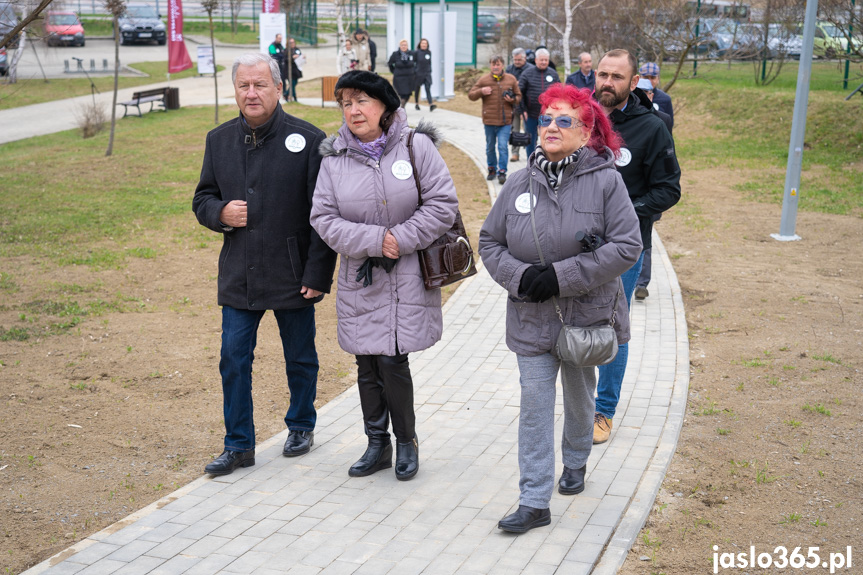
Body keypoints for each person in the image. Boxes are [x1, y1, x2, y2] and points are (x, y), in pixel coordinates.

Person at [479, 83, 642, 533]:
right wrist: (519, 275)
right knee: (533, 407)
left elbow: (628, 245)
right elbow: (490, 241)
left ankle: (576, 461)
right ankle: (534, 500)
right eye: (546, 118)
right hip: (530, 318)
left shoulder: (606, 181)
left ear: (587, 130)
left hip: (584, 318)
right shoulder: (518, 181)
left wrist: (561, 276)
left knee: (578, 399)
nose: (550, 126)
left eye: (563, 119)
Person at [193, 53, 337, 476]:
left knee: (300, 356)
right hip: (240, 274)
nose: (251, 93)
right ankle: (238, 444)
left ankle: (301, 424)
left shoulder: (309, 139)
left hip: (293, 273)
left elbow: (323, 216)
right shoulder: (218, 140)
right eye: (244, 86)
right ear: (235, 90)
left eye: (260, 85)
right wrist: (219, 213)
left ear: (278, 87)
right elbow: (202, 198)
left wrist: (317, 275)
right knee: (233, 359)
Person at [311, 71, 459, 481]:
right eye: (346, 103)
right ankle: (377, 443)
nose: (354, 110)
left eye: (362, 100)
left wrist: (400, 239)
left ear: (384, 105)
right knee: (366, 363)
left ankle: (407, 442)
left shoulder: (416, 146)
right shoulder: (335, 157)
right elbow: (323, 218)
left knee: (393, 360)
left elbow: (442, 204)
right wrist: (378, 240)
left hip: (407, 273)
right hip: (362, 275)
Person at [592, 49, 681, 444]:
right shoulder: (580, 118)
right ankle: (579, 398)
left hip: (624, 249)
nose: (607, 82)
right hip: (573, 247)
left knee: (613, 326)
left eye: (616, 76)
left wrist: (628, 213)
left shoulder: (652, 126)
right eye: (602, 74)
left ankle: (603, 410)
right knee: (573, 323)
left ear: (633, 82)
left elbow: (669, 189)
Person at [468, 54, 521, 185]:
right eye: (493, 64)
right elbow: (471, 95)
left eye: (498, 64)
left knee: (503, 147)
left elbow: (519, 96)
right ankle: (492, 169)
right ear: (490, 65)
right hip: (489, 121)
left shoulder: (511, 79)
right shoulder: (484, 80)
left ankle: (502, 171)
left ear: (502, 65)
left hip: (505, 121)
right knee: (490, 147)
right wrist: (481, 91)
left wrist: (513, 99)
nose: (495, 67)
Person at [517, 48, 560, 158]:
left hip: (548, 116)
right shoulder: (527, 73)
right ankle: (530, 162)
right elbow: (519, 92)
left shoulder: (553, 74)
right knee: (530, 140)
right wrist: (523, 110)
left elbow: (559, 93)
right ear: (536, 60)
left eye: (546, 60)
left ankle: (546, 162)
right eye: (541, 60)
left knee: (547, 139)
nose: (544, 62)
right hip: (531, 114)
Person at [506, 47, 533, 163]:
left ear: (524, 58)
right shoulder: (509, 69)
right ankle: (515, 153)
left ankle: (531, 154)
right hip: (513, 105)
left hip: (529, 106)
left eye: (519, 60)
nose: (516, 62)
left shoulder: (531, 69)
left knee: (529, 131)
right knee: (515, 130)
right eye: (515, 60)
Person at [638, 62, 673, 127]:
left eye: (653, 77)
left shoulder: (665, 99)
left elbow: (669, 125)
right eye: (646, 77)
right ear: (639, 78)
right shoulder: (631, 96)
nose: (649, 81)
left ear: (658, 79)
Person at [388, 39, 417, 108]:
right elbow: (390, 63)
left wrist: (414, 71)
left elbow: (416, 63)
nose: (404, 46)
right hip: (399, 77)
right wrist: (394, 71)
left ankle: (402, 106)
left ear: (407, 46)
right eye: (402, 45)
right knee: (401, 94)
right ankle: (402, 107)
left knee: (408, 94)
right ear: (400, 46)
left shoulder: (412, 54)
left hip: (409, 78)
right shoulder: (395, 54)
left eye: (405, 45)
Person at [413, 38, 436, 111]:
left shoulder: (429, 52)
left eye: (425, 43)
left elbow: (429, 62)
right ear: (420, 44)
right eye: (422, 43)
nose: (424, 45)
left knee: (427, 88)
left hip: (427, 73)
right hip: (418, 73)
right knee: (417, 89)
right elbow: (413, 62)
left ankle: (431, 104)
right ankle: (417, 103)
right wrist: (414, 71)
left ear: (427, 45)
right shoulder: (417, 52)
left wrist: (429, 71)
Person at [286, 37, 304, 102]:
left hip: (297, 69)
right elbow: (286, 59)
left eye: (293, 42)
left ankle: (286, 93)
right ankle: (294, 97)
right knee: (292, 84)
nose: (292, 43)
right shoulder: (287, 50)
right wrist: (292, 57)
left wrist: (303, 57)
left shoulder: (297, 49)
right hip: (290, 70)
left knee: (295, 83)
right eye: (291, 42)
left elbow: (300, 56)